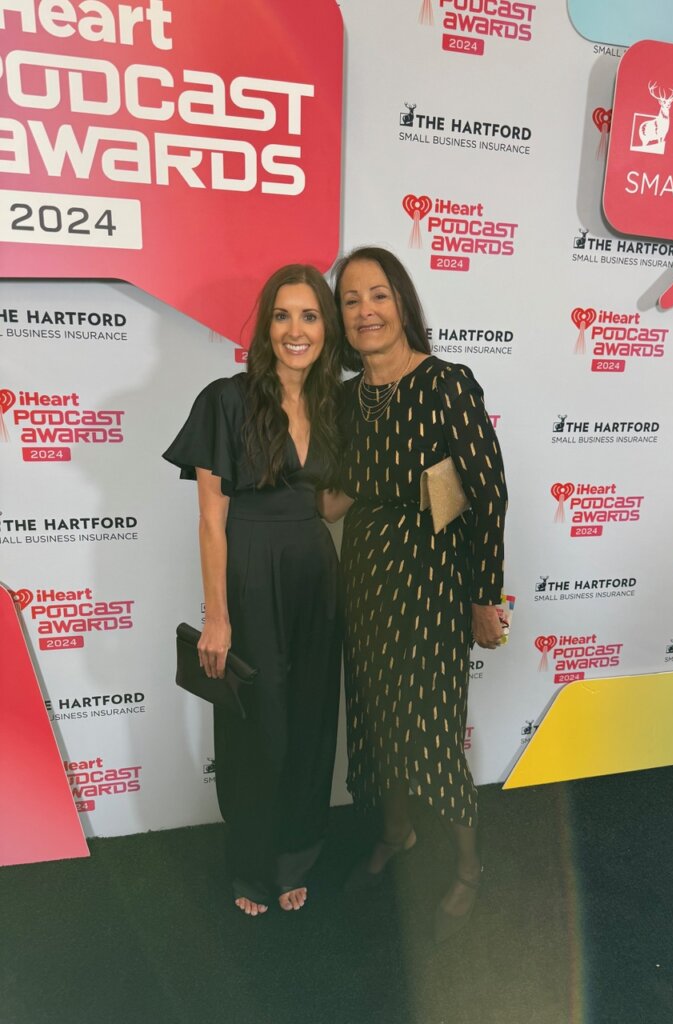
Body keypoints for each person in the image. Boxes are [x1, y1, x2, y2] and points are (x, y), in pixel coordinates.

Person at [322, 246, 508, 942]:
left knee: (428, 729)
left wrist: (485, 597)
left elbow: (486, 492)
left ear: (402, 303)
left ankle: (467, 865)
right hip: (365, 573)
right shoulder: (345, 397)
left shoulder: (446, 383)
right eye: (351, 299)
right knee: (374, 718)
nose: (365, 311)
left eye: (378, 295)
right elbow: (337, 497)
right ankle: (397, 835)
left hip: (430, 578)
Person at [163, 265, 343, 918]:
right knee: (256, 730)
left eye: (310, 316)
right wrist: (217, 617)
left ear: (327, 327)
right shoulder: (226, 401)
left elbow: (325, 507)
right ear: (266, 326)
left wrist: (378, 465)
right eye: (283, 315)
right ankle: (250, 865)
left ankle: (296, 855)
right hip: (248, 577)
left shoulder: (332, 407)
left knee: (309, 723)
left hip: (316, 579)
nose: (297, 330)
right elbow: (212, 518)